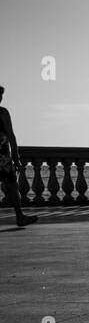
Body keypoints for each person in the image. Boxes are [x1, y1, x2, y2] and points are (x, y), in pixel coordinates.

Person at [0, 86, 36, 227]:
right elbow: (11, 136)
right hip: (3, 157)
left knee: (12, 185)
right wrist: (16, 159)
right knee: (12, 186)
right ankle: (20, 217)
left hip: (3, 156)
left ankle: (20, 217)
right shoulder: (2, 113)